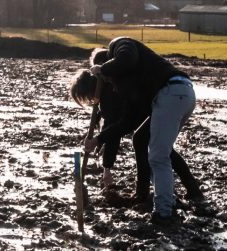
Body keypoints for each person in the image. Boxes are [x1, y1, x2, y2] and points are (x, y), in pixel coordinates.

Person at [72, 49, 201, 211]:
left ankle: (160, 202)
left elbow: (115, 128)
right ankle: (182, 190)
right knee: (144, 141)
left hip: (164, 100)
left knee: (156, 150)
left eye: (89, 98)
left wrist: (106, 167)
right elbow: (112, 122)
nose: (91, 101)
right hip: (166, 98)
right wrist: (99, 134)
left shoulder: (110, 89)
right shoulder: (112, 82)